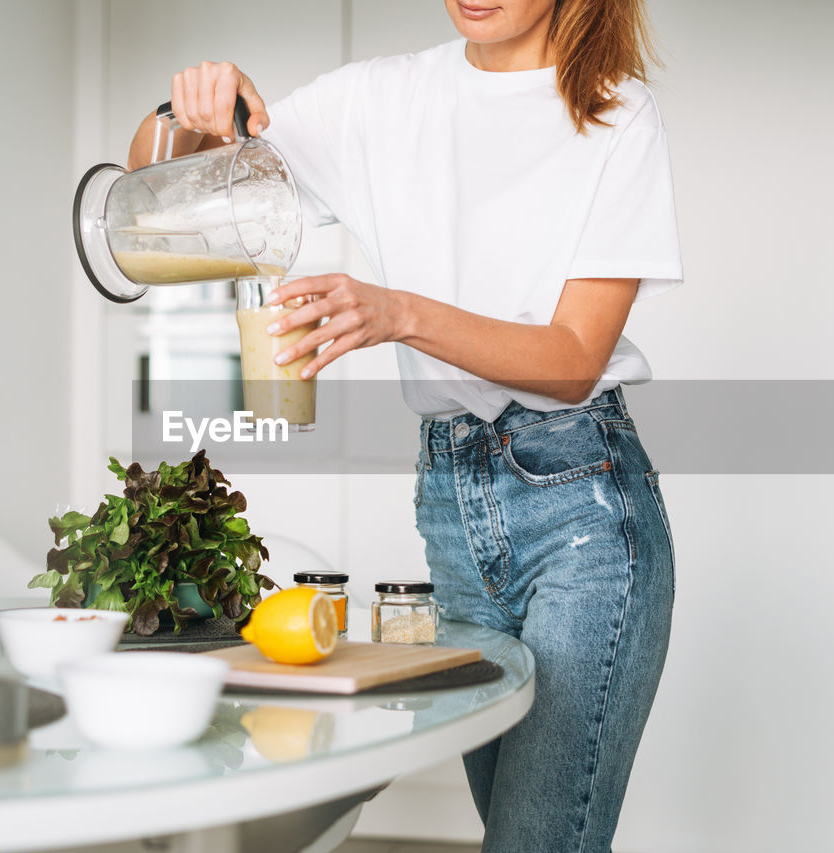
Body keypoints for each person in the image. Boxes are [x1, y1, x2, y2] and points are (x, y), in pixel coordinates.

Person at [127, 1, 680, 849]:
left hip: (584, 512)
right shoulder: (380, 99)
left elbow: (573, 358)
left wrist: (397, 314)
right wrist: (188, 116)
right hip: (453, 503)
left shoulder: (614, 112)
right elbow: (154, 193)